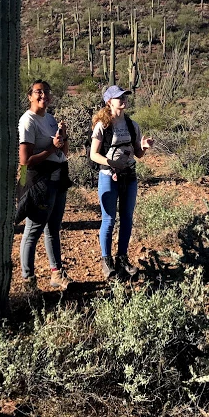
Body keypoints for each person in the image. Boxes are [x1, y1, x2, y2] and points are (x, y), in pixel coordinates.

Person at [90, 85, 154, 280]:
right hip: (109, 176)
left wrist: (144, 147)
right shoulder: (102, 125)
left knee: (127, 218)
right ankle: (106, 260)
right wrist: (111, 163)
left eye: (124, 96)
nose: (123, 99)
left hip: (129, 175)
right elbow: (94, 155)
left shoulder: (132, 125)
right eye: (119, 97)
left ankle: (122, 258)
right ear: (109, 102)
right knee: (109, 219)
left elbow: (138, 154)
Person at [17, 80, 73, 291]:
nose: (43, 96)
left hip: (57, 177)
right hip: (38, 180)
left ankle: (56, 273)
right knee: (33, 230)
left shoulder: (50, 119)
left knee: (53, 228)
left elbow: (63, 152)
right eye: (38, 92)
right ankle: (28, 280)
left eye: (46, 92)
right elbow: (25, 162)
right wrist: (51, 148)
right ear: (30, 96)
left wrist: (63, 136)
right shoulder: (27, 121)